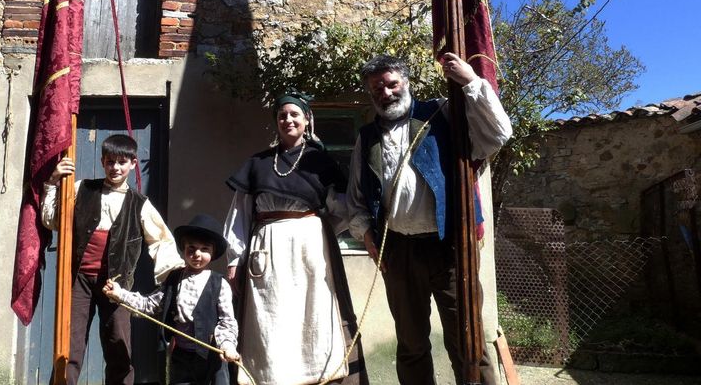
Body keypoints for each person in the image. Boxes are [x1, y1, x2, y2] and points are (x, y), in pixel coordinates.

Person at [347, 53, 513, 384]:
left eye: (392, 83)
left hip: (451, 247)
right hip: (399, 252)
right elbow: (356, 199)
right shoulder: (366, 138)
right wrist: (368, 240)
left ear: (406, 82)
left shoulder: (442, 112)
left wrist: (470, 81)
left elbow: (498, 134)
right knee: (411, 345)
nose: (386, 92)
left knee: (469, 340)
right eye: (377, 88)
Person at [223, 91, 369, 385]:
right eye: (282, 115)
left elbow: (342, 208)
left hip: (309, 249)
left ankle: (316, 376)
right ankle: (271, 377)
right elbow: (239, 215)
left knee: (311, 313)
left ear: (307, 120)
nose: (288, 120)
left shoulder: (320, 162)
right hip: (267, 248)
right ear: (276, 121)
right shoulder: (258, 163)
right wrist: (234, 259)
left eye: (294, 114)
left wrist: (318, 229)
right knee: (270, 314)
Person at [42, 134, 183, 385]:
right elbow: (53, 220)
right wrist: (52, 182)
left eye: (121, 162)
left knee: (119, 346)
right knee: (69, 346)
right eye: (110, 162)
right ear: (102, 162)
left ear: (133, 164)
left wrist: (176, 276)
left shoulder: (140, 204)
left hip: (115, 286)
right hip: (79, 282)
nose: (115, 168)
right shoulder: (81, 188)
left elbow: (161, 241)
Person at [103, 214, 241, 385]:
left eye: (204, 249)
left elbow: (227, 321)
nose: (197, 254)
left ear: (212, 254)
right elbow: (150, 304)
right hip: (181, 358)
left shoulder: (220, 284)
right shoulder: (174, 279)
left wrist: (227, 345)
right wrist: (120, 294)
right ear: (183, 249)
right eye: (191, 248)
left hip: (212, 359)